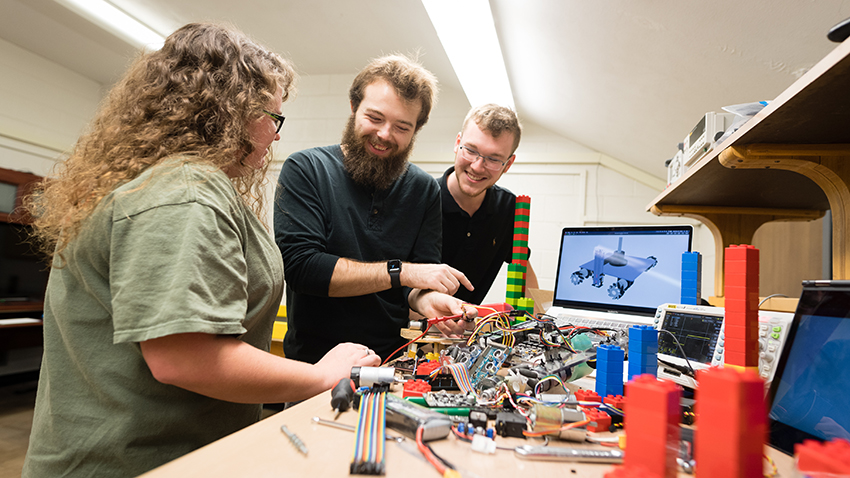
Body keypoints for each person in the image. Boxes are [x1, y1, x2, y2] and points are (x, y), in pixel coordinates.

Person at [21, 23, 379, 477]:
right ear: (229, 112)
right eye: (273, 117)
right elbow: (184, 356)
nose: (276, 135)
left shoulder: (166, 182)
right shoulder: (186, 190)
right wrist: (323, 376)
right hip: (133, 462)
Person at [275, 54, 474, 365]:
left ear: (415, 131)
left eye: (402, 127)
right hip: (311, 367)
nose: (384, 134)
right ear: (354, 107)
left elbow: (415, 285)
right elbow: (303, 269)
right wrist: (402, 270)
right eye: (375, 118)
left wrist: (430, 301)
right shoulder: (307, 169)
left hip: (390, 364)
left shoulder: (424, 189)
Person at [440, 104, 539, 305]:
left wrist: (534, 323)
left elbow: (523, 271)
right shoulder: (422, 198)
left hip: (466, 330)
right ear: (458, 142)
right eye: (470, 150)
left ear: (508, 164)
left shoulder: (509, 207)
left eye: (493, 159)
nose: (477, 166)